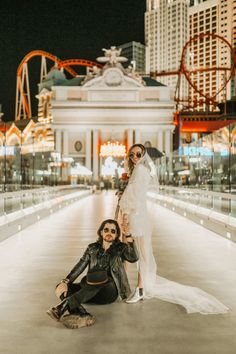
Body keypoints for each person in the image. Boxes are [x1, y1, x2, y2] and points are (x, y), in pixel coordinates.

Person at [118, 143, 229, 314]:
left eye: (138, 154)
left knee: (140, 254)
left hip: (136, 215)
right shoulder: (139, 170)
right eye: (131, 155)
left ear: (143, 155)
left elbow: (135, 196)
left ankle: (139, 288)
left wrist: (126, 213)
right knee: (136, 252)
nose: (134, 157)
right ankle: (133, 287)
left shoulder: (141, 171)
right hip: (137, 214)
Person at [47, 219, 139, 328]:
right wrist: (66, 280)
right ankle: (83, 314)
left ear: (116, 235)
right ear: (101, 232)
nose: (109, 233)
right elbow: (81, 265)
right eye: (106, 230)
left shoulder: (120, 248)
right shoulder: (92, 248)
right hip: (89, 289)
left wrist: (128, 235)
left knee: (99, 279)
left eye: (113, 231)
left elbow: (134, 257)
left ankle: (64, 306)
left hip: (109, 291)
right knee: (60, 288)